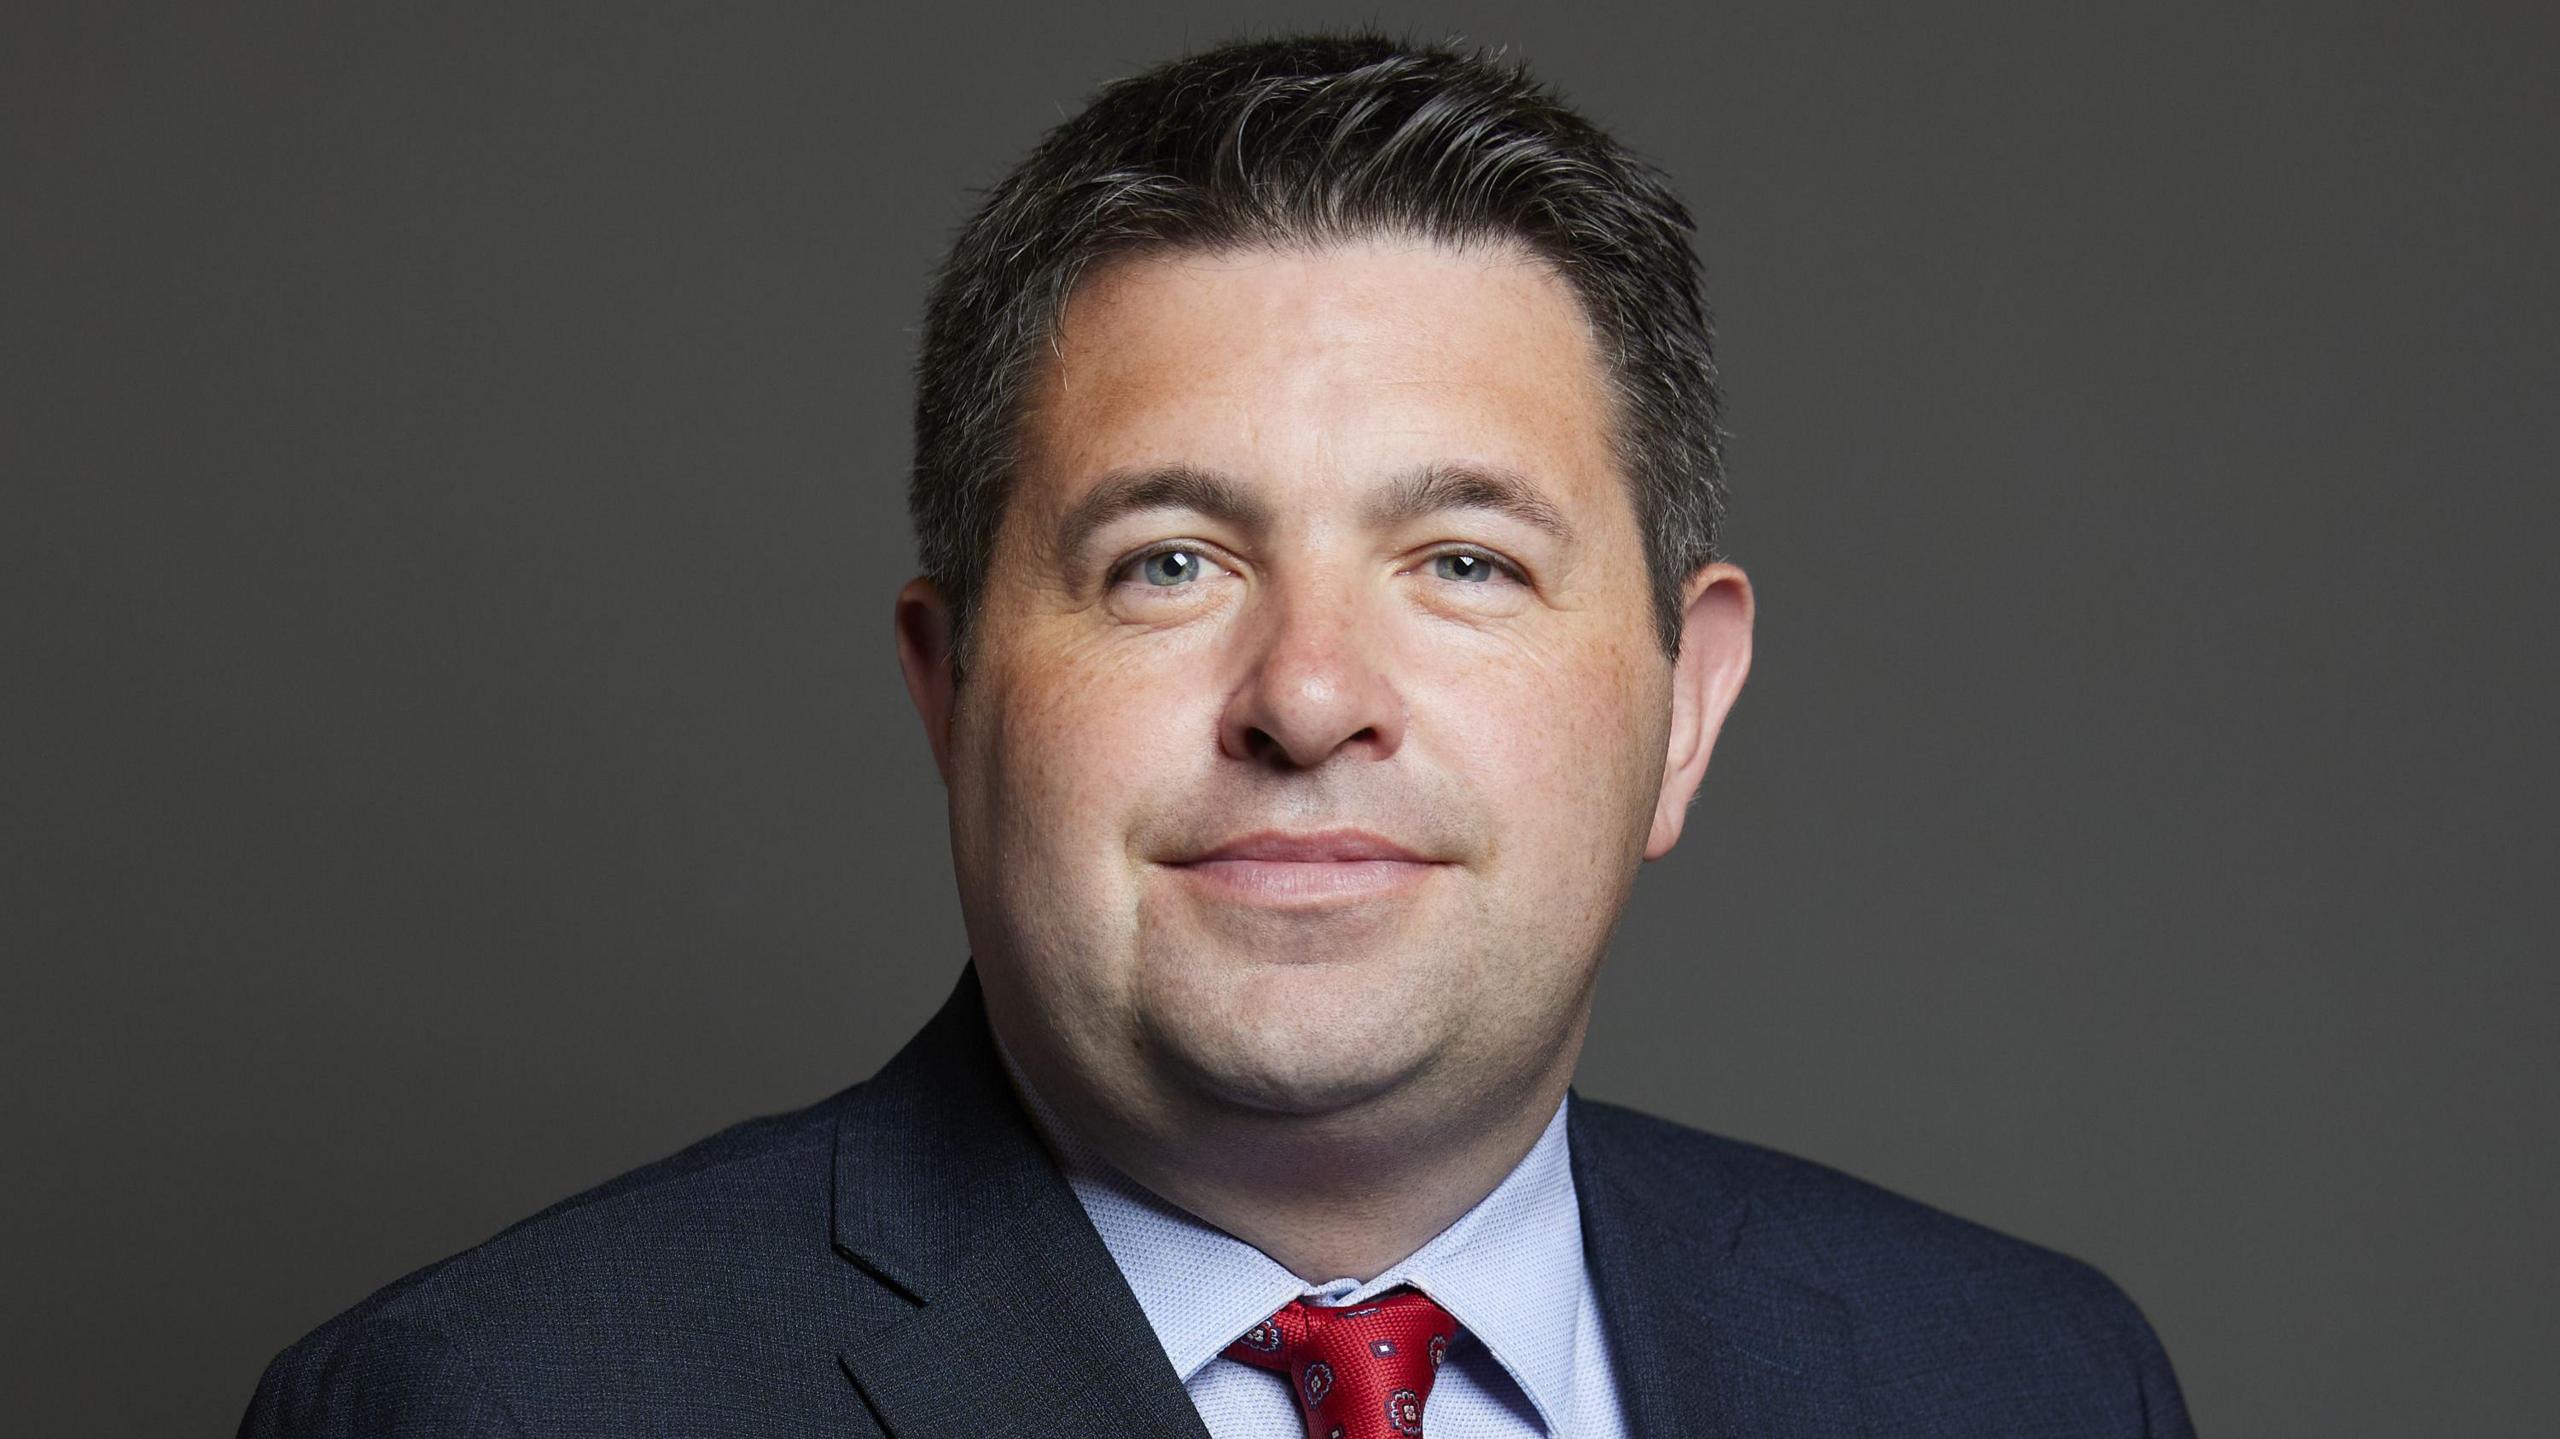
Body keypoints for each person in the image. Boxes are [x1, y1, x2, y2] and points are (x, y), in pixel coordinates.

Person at [240, 32, 2193, 1439]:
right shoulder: (487, 1407)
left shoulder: (2019, 1381)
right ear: (948, 692)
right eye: (1167, 561)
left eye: (1461, 561)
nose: (1309, 693)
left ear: (1685, 709)